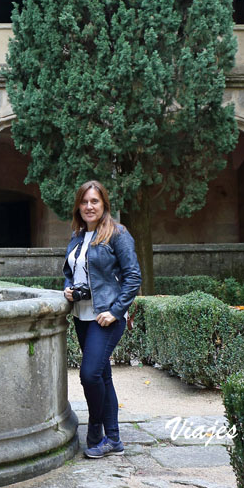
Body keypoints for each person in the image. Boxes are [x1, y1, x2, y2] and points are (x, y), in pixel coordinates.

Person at [63, 180, 142, 459]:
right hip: (81, 316)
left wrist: (116, 310)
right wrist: (68, 288)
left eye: (94, 201)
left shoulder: (117, 234)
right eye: (84, 202)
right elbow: (70, 272)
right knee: (102, 376)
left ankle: (95, 423)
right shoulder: (77, 236)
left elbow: (133, 277)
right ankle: (114, 439)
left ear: (104, 204)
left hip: (106, 318)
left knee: (89, 374)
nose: (89, 206)